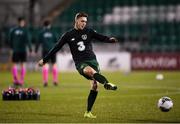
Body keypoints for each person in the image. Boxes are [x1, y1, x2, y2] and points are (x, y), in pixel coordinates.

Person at [38, 12, 118, 118]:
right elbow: (56, 47)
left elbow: (101, 37)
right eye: (82, 21)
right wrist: (45, 60)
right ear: (76, 20)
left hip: (93, 61)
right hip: (80, 63)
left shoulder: (89, 31)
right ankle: (107, 83)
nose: (84, 23)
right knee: (89, 71)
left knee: (95, 86)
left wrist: (109, 40)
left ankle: (88, 112)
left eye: (85, 21)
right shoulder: (68, 35)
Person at [8, 17, 32, 86]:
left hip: (15, 50)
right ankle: (21, 80)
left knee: (14, 65)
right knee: (23, 65)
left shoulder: (13, 30)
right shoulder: (25, 30)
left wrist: (11, 48)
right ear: (23, 22)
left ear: (18, 22)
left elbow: (10, 40)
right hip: (23, 50)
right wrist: (30, 49)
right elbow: (28, 40)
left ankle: (15, 80)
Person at [35, 20, 58, 87]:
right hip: (52, 50)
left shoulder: (41, 33)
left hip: (45, 51)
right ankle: (55, 80)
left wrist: (36, 51)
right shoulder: (53, 32)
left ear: (43, 25)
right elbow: (57, 41)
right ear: (49, 25)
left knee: (45, 65)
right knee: (54, 65)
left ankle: (45, 81)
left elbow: (38, 42)